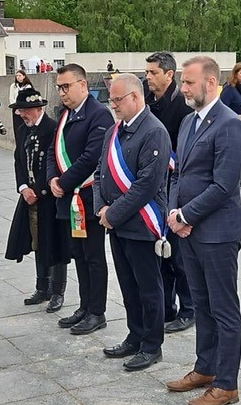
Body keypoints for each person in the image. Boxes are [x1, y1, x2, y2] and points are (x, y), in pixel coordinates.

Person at [164, 56, 241, 405]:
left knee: (224, 308)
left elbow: (223, 185)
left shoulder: (228, 124)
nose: (182, 88)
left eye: (188, 82)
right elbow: (179, 173)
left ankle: (227, 383)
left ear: (211, 83)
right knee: (203, 305)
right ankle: (206, 368)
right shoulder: (188, 122)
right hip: (189, 230)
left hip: (218, 232)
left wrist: (186, 214)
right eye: (182, 82)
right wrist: (173, 211)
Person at [94, 74, 172, 372]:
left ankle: (152, 345)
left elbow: (146, 185)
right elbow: (102, 170)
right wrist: (101, 207)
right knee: (127, 284)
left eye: (117, 99)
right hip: (116, 223)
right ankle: (134, 334)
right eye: (111, 100)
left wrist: (112, 214)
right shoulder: (114, 131)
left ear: (136, 97)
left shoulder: (154, 132)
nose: (113, 105)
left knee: (148, 287)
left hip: (141, 223)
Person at [48, 63, 113, 336]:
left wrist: (63, 183)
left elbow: (91, 157)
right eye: (59, 88)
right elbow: (54, 152)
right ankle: (85, 307)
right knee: (79, 255)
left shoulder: (98, 115)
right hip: (69, 199)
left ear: (83, 85)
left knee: (93, 256)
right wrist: (52, 179)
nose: (62, 92)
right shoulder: (65, 115)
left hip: (88, 198)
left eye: (67, 86)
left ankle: (97, 311)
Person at [6, 84, 69, 312]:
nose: (21, 114)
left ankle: (57, 291)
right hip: (29, 196)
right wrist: (23, 187)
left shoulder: (53, 129)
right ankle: (42, 287)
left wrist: (40, 190)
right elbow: (18, 160)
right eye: (20, 110)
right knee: (37, 242)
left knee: (55, 244)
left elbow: (56, 163)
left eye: (25, 110)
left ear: (37, 109)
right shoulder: (24, 129)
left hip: (49, 197)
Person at [145, 52, 196, 334]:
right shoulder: (147, 102)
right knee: (159, 252)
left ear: (169, 74)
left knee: (179, 255)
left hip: (176, 186)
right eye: (147, 72)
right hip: (153, 188)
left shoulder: (183, 107)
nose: (148, 77)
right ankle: (166, 307)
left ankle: (190, 309)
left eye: (153, 73)